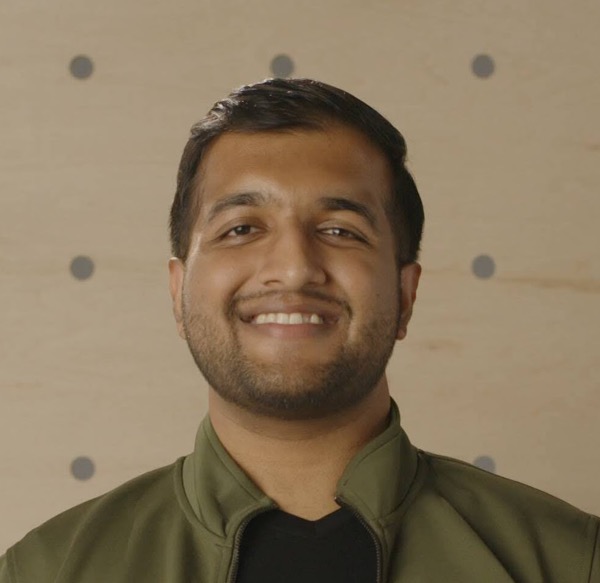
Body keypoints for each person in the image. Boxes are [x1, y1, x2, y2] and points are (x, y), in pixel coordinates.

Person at [1, 78, 598, 583]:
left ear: (406, 294)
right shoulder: (48, 571)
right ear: (178, 293)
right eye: (241, 228)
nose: (293, 267)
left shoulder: (569, 562)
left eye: (340, 231)